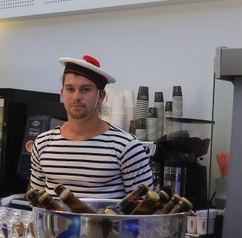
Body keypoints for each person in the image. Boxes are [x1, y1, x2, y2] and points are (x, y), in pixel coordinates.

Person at [29, 55, 154, 199]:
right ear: (62, 94)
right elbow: (37, 201)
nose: (76, 97)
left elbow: (144, 209)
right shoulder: (43, 143)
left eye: (85, 89)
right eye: (70, 89)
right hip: (53, 223)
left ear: (101, 96)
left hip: (107, 222)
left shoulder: (126, 146)